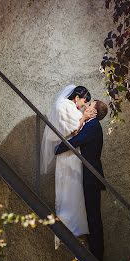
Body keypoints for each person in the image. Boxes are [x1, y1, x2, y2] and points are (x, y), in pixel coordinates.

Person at [40, 85, 96, 248]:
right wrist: (84, 118)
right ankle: (69, 228)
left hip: (72, 156)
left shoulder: (68, 106)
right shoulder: (64, 106)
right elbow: (73, 131)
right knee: (69, 190)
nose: (84, 105)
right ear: (77, 96)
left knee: (73, 190)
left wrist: (83, 117)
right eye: (84, 101)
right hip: (68, 157)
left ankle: (74, 228)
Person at [54, 99, 108, 261]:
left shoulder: (93, 127)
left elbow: (76, 141)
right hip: (89, 177)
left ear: (95, 111)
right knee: (91, 215)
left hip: (92, 178)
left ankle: (97, 257)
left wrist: (58, 148)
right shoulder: (89, 124)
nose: (88, 104)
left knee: (93, 217)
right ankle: (95, 253)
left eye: (91, 104)